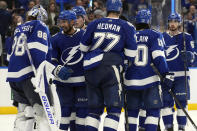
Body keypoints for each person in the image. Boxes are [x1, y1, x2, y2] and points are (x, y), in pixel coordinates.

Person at [6, 5, 70, 131]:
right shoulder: (39, 25)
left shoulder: (18, 29)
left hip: (13, 77)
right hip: (30, 76)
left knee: (25, 113)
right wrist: (42, 80)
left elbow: (9, 56)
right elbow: (37, 53)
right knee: (42, 115)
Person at [80, 0, 137, 130]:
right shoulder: (126, 26)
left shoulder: (94, 23)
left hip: (90, 67)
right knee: (114, 110)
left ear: (106, 9)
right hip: (111, 68)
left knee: (93, 110)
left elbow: (83, 47)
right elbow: (131, 53)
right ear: (120, 10)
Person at [124, 9, 173, 131]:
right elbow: (159, 57)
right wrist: (166, 73)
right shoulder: (155, 35)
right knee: (153, 111)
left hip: (130, 81)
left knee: (132, 113)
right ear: (149, 21)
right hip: (150, 81)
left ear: (136, 22)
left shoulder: (129, 35)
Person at [51, 10, 87, 131]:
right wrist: (57, 69)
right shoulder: (55, 39)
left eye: (64, 22)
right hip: (63, 83)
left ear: (73, 21)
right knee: (65, 112)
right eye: (60, 22)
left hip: (82, 83)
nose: (62, 25)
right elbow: (51, 60)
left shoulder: (84, 35)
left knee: (82, 113)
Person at [161, 12, 195, 131]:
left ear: (179, 23)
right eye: (171, 21)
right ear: (168, 22)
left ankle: (181, 128)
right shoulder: (162, 37)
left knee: (182, 105)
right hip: (166, 77)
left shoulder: (187, 37)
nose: (173, 24)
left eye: (175, 21)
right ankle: (168, 127)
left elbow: (193, 57)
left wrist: (190, 56)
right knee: (165, 104)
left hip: (182, 76)